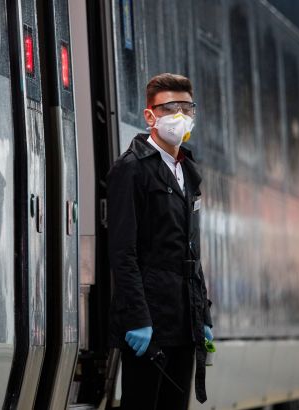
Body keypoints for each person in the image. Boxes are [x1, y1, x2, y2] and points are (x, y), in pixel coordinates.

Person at [107, 73, 214, 409]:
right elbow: (123, 252)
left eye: (186, 107)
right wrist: (137, 318)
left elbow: (191, 252)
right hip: (150, 322)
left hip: (184, 321)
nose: (179, 115)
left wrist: (204, 316)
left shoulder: (188, 171)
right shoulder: (132, 170)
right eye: (170, 107)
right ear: (150, 115)